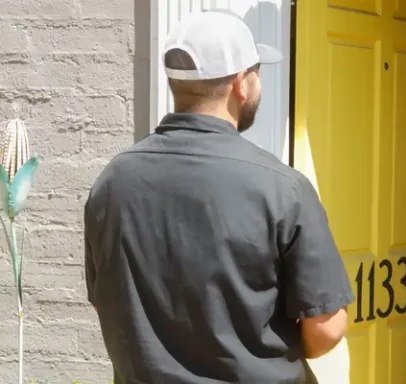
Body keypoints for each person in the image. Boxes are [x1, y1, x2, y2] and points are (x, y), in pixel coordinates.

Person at [83, 10, 354, 384]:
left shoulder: (112, 182)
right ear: (241, 83)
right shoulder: (282, 188)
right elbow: (326, 328)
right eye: (257, 71)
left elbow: (106, 302)